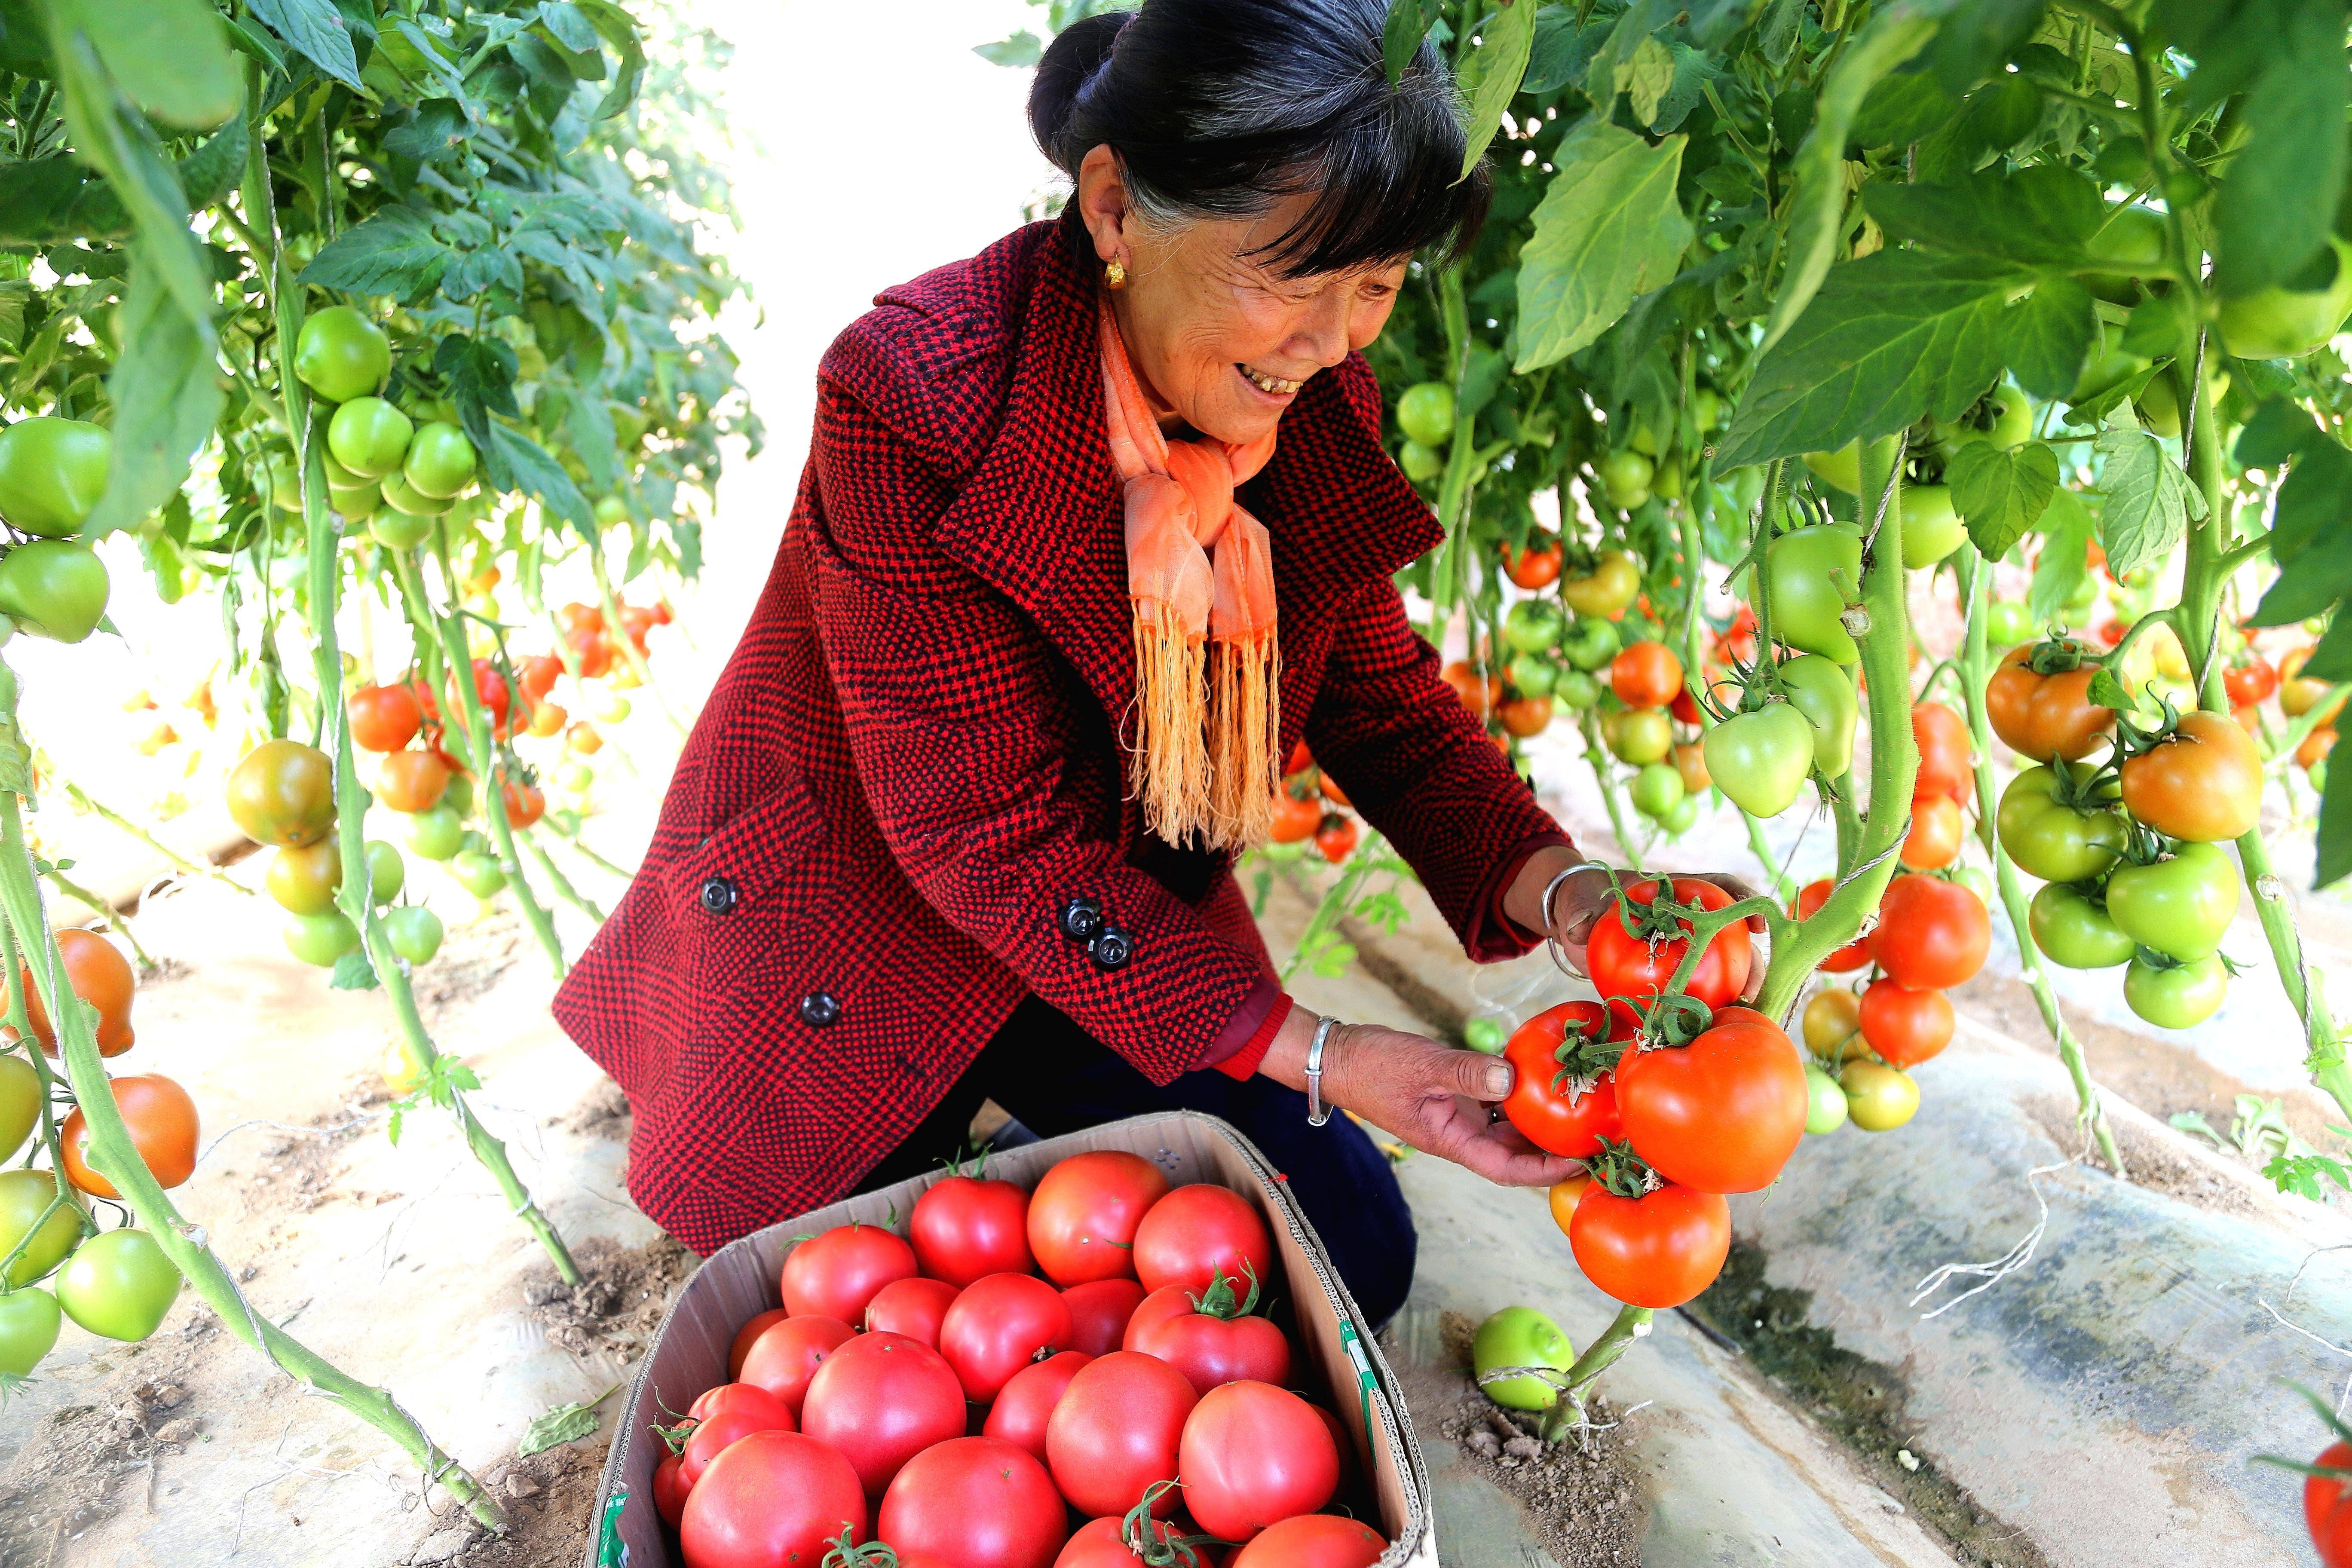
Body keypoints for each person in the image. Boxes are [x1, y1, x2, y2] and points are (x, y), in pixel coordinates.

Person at [553, 0, 1755, 1329]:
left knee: (1348, 1256)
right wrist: (1328, 1052)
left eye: (1378, 281)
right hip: (870, 909)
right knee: (852, 1304)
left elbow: (1385, 708)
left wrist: (1571, 892)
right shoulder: (911, 396)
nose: (1337, 338)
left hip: (1108, 919)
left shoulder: (1307, 400)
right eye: (1291, 272)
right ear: (1117, 207)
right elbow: (979, 837)